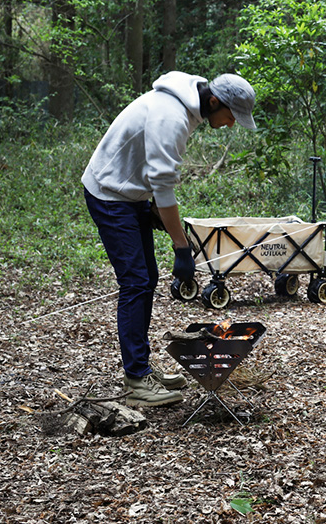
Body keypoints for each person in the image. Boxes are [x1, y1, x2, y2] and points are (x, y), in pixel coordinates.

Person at [83, 71, 256, 407]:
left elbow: (155, 174)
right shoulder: (172, 117)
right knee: (135, 282)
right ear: (214, 101)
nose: (232, 123)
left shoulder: (187, 106)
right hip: (109, 194)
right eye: (231, 116)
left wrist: (151, 208)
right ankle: (137, 380)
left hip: (129, 194)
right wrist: (181, 247)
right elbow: (163, 187)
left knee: (146, 279)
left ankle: (141, 368)